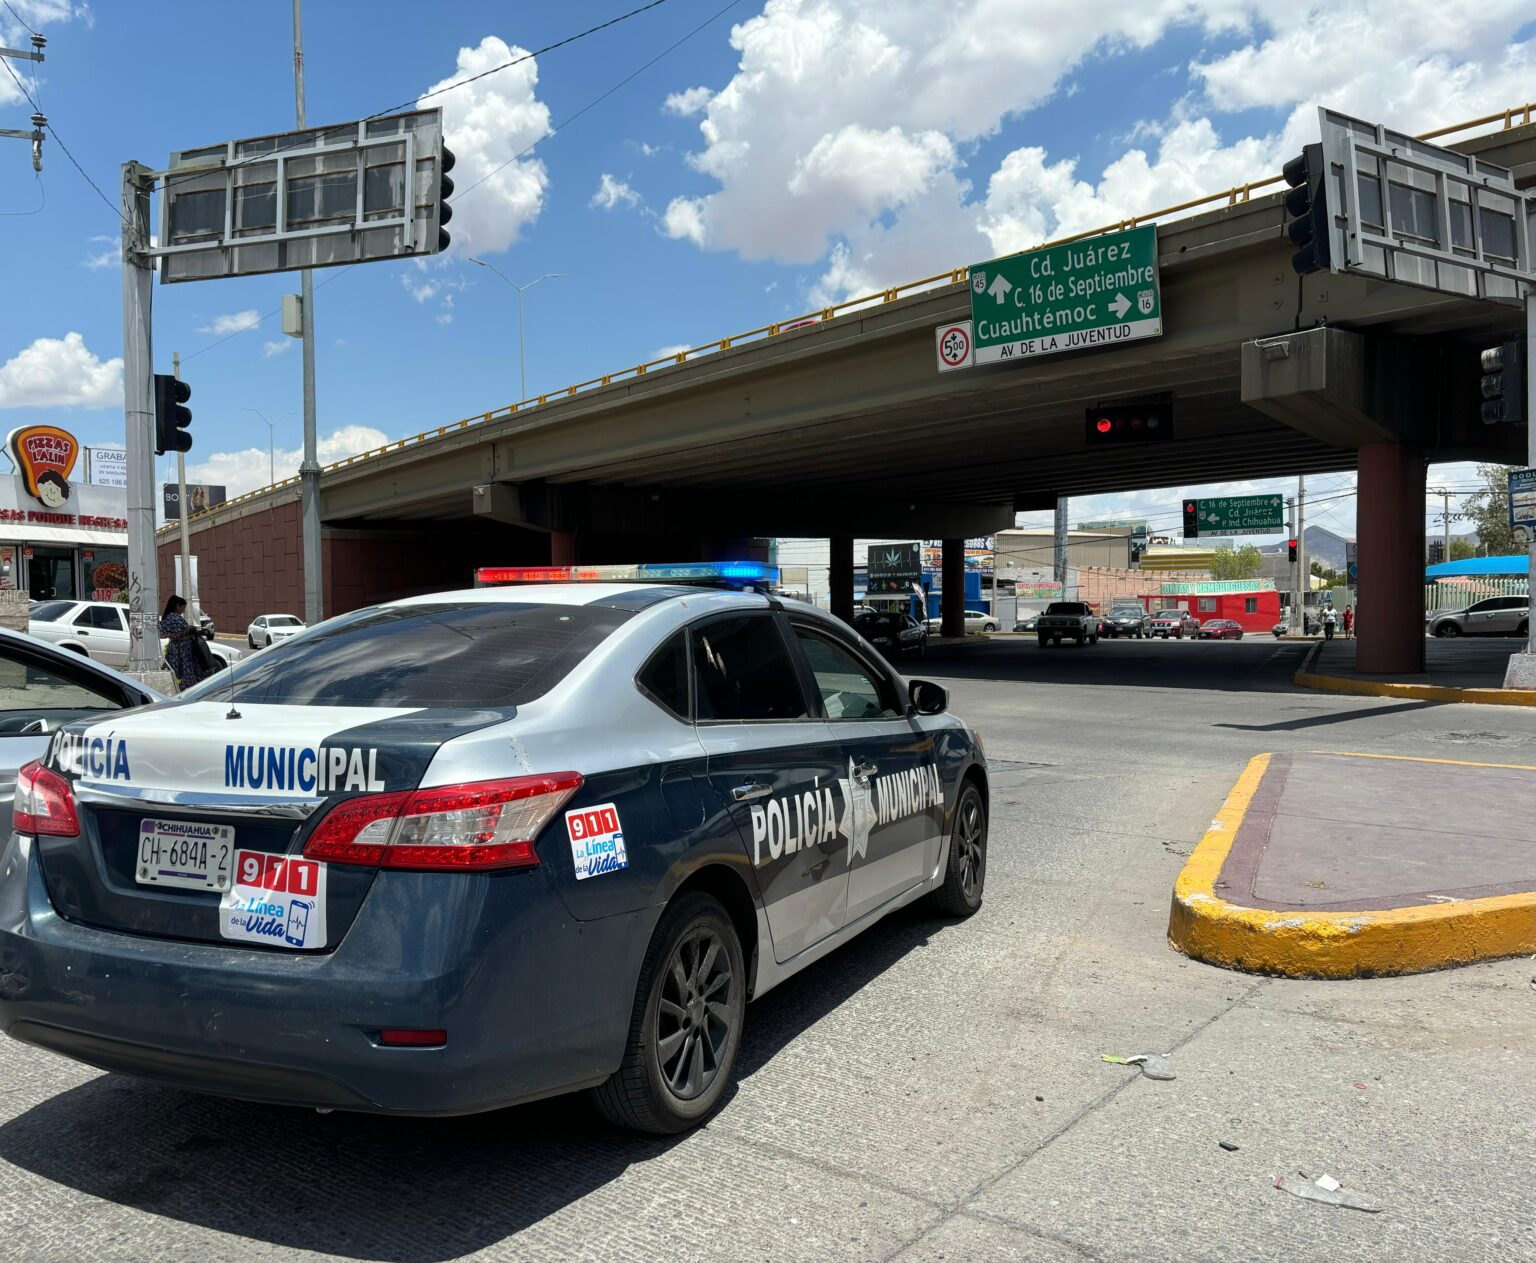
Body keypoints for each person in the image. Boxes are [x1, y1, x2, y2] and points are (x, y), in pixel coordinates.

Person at [160, 594, 209, 691]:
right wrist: (190, 628)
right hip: (182, 650)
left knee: (176, 671)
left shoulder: (166, 617)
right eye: (183, 607)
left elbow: (163, 633)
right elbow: (180, 635)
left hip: (174, 649)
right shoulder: (175, 617)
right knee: (186, 671)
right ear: (178, 606)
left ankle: (179, 688)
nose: (184, 610)